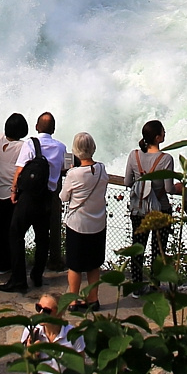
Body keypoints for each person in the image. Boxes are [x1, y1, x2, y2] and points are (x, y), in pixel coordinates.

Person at [0, 112, 68, 293]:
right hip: (47, 198)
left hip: (28, 197)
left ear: (37, 127)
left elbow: (19, 170)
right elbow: (64, 168)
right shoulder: (61, 147)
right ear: (53, 129)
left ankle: (18, 279)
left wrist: (14, 191)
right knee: (42, 238)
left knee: (15, 234)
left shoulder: (30, 143)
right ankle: (37, 275)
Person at [124, 120, 176, 292]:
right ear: (157, 137)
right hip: (160, 210)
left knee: (138, 247)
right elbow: (168, 188)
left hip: (139, 208)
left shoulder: (134, 155)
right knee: (158, 250)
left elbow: (127, 182)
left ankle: (137, 287)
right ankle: (155, 285)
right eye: (163, 131)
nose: (165, 133)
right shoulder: (166, 159)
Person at [59, 132, 110, 311]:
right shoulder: (102, 169)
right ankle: (93, 299)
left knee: (75, 265)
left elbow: (64, 197)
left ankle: (73, 300)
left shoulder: (74, 174)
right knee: (93, 264)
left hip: (77, 225)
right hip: (98, 224)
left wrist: (70, 172)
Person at [0, 113, 28, 274]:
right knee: (11, 229)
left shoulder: (0, 140)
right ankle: (5, 263)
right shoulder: (22, 147)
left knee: (0, 226)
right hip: (12, 193)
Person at [18, 292, 84, 374]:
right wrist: (30, 354)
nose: (40, 313)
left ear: (59, 313)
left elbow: (81, 367)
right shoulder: (31, 332)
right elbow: (26, 365)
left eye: (46, 311)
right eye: (38, 308)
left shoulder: (73, 335)